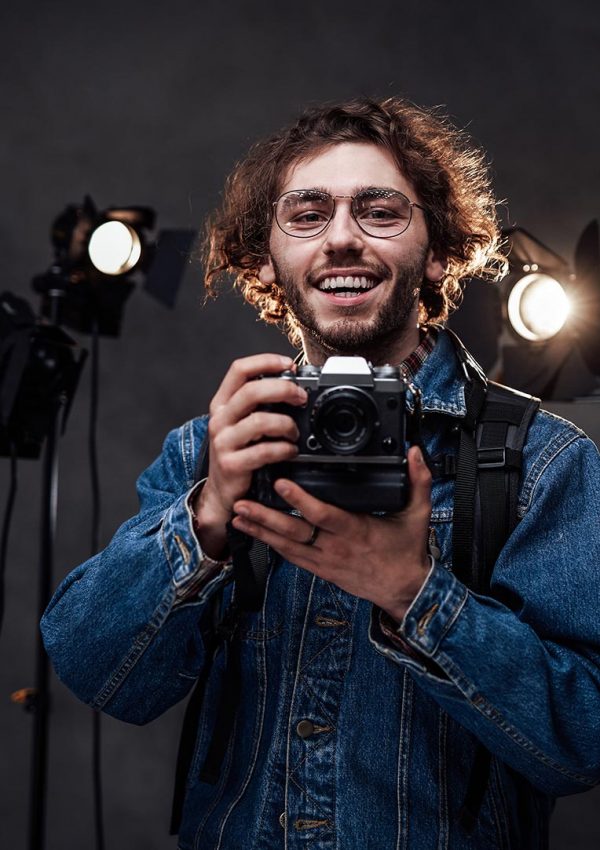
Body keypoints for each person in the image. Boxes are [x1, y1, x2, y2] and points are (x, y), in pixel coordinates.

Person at [41, 98, 600, 850]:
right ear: (267, 257)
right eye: (305, 214)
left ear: (437, 251)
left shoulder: (541, 461)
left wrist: (414, 594)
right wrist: (206, 517)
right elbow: (95, 672)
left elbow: (583, 743)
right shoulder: (213, 448)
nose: (341, 237)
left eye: (379, 211)